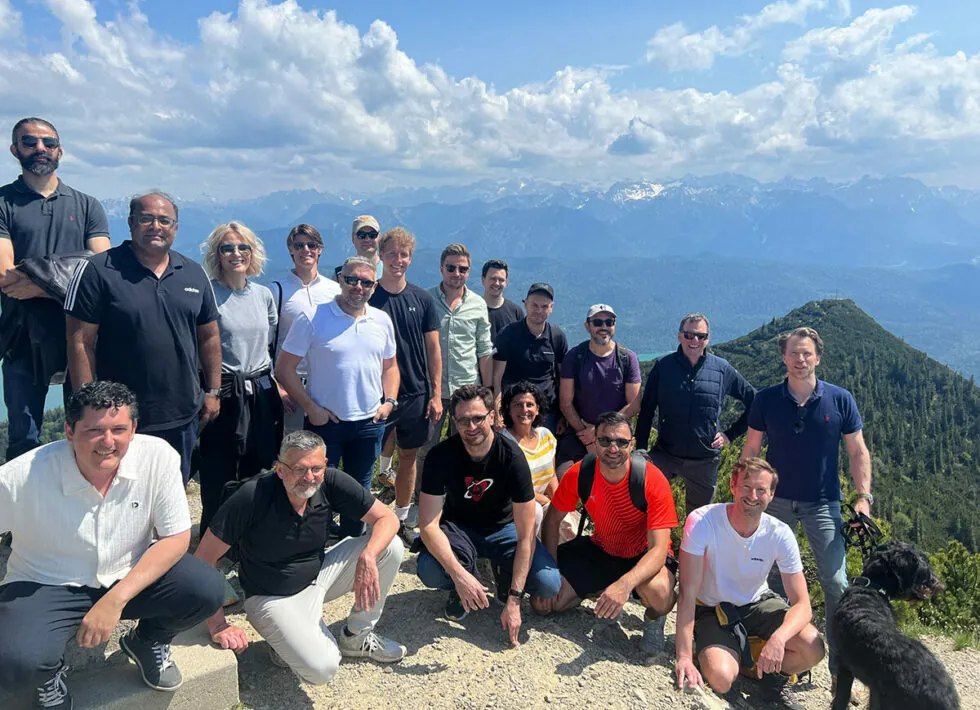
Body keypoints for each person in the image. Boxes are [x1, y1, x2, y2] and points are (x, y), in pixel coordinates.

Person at [0, 381, 225, 709]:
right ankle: (46, 677)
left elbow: (176, 537)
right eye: (94, 430)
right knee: (14, 663)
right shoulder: (22, 476)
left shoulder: (157, 457)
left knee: (207, 589)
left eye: (118, 429)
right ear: (69, 431)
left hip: (126, 570)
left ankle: (148, 640)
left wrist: (115, 601)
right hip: (46, 581)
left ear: (133, 429)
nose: (108, 442)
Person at [195, 430, 406, 684]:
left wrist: (368, 556)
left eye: (316, 468)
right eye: (299, 469)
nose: (309, 477)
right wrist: (218, 625)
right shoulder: (252, 496)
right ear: (280, 469)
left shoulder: (330, 482)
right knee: (324, 668)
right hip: (270, 597)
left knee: (390, 547)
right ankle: (284, 641)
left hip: (318, 578)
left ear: (325, 465)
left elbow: (387, 518)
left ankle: (356, 636)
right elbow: (203, 560)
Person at [741, 326, 871, 687]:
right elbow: (752, 448)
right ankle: (777, 658)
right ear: (784, 357)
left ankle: (840, 671)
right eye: (794, 353)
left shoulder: (840, 399)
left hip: (823, 503)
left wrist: (863, 498)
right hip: (774, 501)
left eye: (807, 353)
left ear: (818, 357)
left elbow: (858, 451)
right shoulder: (766, 399)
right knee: (769, 579)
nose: (800, 360)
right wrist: (744, 490)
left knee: (836, 582)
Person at [64, 192, 221, 486]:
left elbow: (209, 336)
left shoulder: (193, 272)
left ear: (175, 227)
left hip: (182, 414)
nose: (156, 226)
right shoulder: (98, 270)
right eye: (146, 219)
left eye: (164, 220)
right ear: (131, 223)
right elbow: (80, 341)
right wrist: (88, 405)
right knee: (116, 494)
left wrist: (212, 390)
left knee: (171, 492)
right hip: (116, 417)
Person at [0, 117, 110, 461]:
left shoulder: (87, 205)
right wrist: (72, 272)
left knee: (88, 430)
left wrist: (37, 283)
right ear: (14, 149)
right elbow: (5, 275)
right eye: (29, 142)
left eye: (48, 143)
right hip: (21, 337)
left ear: (60, 151)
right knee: (24, 441)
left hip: (81, 337)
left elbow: (101, 273)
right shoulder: (2, 202)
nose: (40, 148)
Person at [674, 458, 825, 709]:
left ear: (772, 495)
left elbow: (803, 604)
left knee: (812, 646)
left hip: (756, 602)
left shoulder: (779, 533)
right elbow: (687, 593)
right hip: (712, 608)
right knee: (721, 679)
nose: (752, 496)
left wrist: (779, 639)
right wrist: (683, 656)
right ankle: (744, 656)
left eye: (761, 490)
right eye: (746, 487)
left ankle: (771, 681)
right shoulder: (703, 521)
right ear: (733, 486)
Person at [415, 385, 560, 645]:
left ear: (492, 417)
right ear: (454, 421)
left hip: (504, 527)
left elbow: (526, 534)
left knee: (548, 583)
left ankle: (505, 576)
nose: (471, 427)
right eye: (463, 420)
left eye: (478, 418)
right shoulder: (440, 456)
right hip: (459, 527)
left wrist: (515, 599)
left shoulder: (512, 456)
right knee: (429, 570)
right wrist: (460, 576)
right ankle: (461, 587)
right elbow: (427, 525)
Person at [533, 412, 678, 665]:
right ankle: (602, 593)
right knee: (543, 603)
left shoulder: (652, 480)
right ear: (595, 442)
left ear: (632, 444)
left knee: (660, 593)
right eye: (605, 440)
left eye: (621, 442)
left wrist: (624, 585)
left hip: (642, 555)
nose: (613, 448)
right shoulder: (581, 473)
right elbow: (552, 520)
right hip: (603, 549)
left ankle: (654, 617)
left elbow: (658, 550)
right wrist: (552, 569)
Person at [275, 256, 399, 538]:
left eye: (366, 282)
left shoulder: (381, 320)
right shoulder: (313, 317)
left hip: (369, 423)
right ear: (340, 280)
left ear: (374, 286)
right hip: (325, 423)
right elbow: (284, 369)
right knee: (314, 491)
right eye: (351, 279)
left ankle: (351, 549)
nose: (358, 286)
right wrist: (311, 408)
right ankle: (310, 549)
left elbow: (390, 366)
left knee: (359, 495)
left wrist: (389, 402)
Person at [196, 221, 283, 532]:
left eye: (243, 247)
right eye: (228, 248)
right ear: (217, 254)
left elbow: (268, 344)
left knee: (259, 464)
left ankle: (251, 534)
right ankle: (214, 536)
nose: (236, 253)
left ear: (252, 252)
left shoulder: (263, 295)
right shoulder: (208, 294)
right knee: (219, 468)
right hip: (223, 390)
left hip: (261, 390)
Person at [632, 312, 755, 517]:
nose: (694, 341)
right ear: (680, 336)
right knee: (643, 507)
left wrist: (730, 434)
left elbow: (755, 401)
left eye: (701, 336)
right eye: (689, 335)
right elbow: (647, 410)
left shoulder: (722, 369)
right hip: (665, 454)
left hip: (704, 460)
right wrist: (642, 450)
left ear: (708, 339)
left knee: (699, 520)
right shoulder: (663, 366)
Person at [369, 228, 442, 539]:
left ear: (410, 258)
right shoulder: (369, 295)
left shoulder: (422, 299)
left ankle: (400, 519)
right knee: (367, 457)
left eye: (404, 254)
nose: (398, 260)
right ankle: (365, 519)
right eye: (392, 253)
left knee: (408, 456)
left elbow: (433, 349)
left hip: (415, 391)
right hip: (375, 393)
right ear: (380, 256)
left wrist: (436, 394)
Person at [269, 224, 340, 433]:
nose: (306, 250)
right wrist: (277, 386)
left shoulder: (335, 291)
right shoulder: (276, 291)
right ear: (291, 250)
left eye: (311, 245)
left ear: (320, 249)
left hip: (327, 383)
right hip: (290, 385)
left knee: (326, 444)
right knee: (293, 444)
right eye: (299, 245)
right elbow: (265, 344)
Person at [557, 304, 642, 476]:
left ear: (614, 325)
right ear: (587, 326)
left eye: (609, 322)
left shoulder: (627, 358)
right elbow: (565, 402)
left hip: (615, 437)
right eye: (597, 322)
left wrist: (600, 433)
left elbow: (634, 404)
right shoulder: (574, 356)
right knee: (564, 479)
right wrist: (586, 436)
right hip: (579, 432)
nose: (604, 327)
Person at [423, 244, 493, 448]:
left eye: (462, 269)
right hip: (433, 390)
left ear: (469, 271)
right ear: (441, 268)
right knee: (426, 449)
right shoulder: (426, 300)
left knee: (467, 447)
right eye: (451, 268)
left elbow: (484, 350)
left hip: (467, 390)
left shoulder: (478, 304)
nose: (457, 273)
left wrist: (487, 392)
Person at [492, 283, 567, 432]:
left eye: (544, 306)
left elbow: (562, 379)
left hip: (547, 412)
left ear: (551, 308)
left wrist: (562, 415)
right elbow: (497, 377)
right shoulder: (508, 334)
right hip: (514, 411)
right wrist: (497, 411)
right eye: (534, 305)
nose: (539, 310)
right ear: (525, 304)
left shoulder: (557, 336)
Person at [499, 381, 558, 534]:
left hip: (543, 503)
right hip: (512, 507)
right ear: (508, 409)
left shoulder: (546, 435)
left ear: (537, 409)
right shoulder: (502, 443)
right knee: (535, 510)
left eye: (529, 405)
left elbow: (551, 476)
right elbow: (511, 488)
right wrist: (546, 502)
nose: (524, 409)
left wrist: (558, 503)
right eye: (518, 405)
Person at [481, 259, 523, 345]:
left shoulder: (515, 312)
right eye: (493, 279)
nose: (497, 283)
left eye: (501, 280)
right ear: (483, 280)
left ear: (506, 282)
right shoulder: (472, 310)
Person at [335, 215, 382, 280]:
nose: (367, 239)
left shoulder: (390, 270)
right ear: (353, 238)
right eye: (361, 235)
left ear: (379, 237)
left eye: (372, 235)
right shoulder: (341, 274)